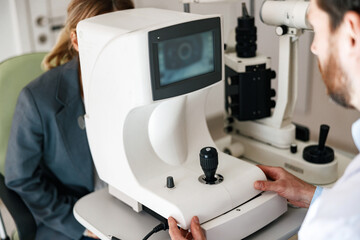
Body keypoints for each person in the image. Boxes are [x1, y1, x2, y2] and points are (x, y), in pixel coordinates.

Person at [168, 0, 360, 239]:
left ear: (352, 31)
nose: (314, 47)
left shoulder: (336, 225)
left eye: (318, 30)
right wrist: (313, 195)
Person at [4, 0, 134, 239]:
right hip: (69, 217)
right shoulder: (37, 99)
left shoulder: (136, 83)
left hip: (129, 206)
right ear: (77, 40)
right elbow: (21, 178)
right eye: (109, 42)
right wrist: (83, 225)